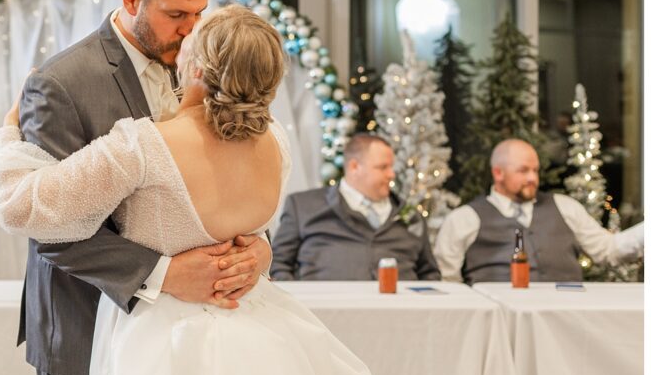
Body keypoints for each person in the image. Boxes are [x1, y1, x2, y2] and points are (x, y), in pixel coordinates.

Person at [0, 5, 371, 375]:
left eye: (194, 34)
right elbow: (248, 226)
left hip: (161, 347)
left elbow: (24, 204)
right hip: (260, 343)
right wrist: (260, 253)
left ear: (199, 68)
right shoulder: (278, 143)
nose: (182, 36)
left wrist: (7, 137)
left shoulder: (144, 146)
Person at [0, 0, 276, 375]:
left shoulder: (205, 63)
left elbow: (235, 178)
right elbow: (50, 228)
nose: (191, 30)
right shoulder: (61, 84)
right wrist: (165, 274)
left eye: (199, 13)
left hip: (190, 341)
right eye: (176, 14)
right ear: (131, 1)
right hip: (86, 329)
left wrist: (257, 247)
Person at [434, 138, 644, 284]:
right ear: (498, 173)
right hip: (500, 325)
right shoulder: (464, 218)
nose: (532, 178)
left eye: (535, 170)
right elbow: (447, 279)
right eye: (523, 170)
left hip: (566, 319)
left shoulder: (565, 207)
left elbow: (607, 250)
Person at [270, 134, 440, 281]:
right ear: (354, 167)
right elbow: (277, 264)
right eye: (383, 167)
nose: (391, 174)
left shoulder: (411, 216)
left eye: (391, 167)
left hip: (401, 313)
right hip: (322, 314)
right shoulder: (303, 206)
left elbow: (429, 273)